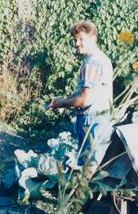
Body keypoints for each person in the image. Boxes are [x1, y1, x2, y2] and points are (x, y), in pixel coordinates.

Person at [48, 20, 114, 167]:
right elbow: (87, 91)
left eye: (81, 39)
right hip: (101, 118)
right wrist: (66, 98)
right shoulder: (102, 58)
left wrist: (61, 104)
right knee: (94, 165)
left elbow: (84, 100)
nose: (77, 43)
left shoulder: (91, 63)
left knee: (87, 168)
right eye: (75, 40)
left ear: (93, 39)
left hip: (91, 120)